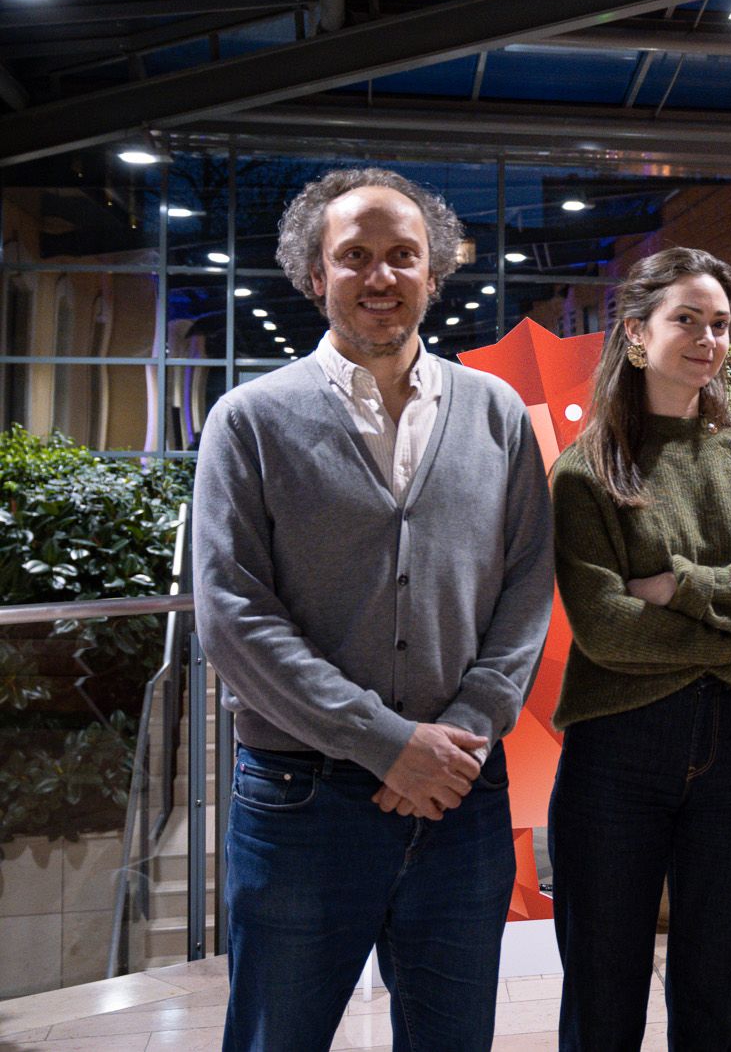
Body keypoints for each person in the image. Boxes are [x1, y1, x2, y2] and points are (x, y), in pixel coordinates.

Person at [193, 168, 554, 1052]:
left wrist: (462, 732)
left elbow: (528, 583)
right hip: (299, 802)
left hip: (461, 798)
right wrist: (386, 740)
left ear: (435, 275)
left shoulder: (497, 413)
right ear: (314, 273)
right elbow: (232, 616)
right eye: (354, 256)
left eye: (404, 256)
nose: (381, 277)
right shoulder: (250, 421)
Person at [547, 245, 731, 1052]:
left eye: (721, 324)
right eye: (687, 320)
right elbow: (605, 626)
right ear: (636, 333)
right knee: (603, 997)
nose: (708, 339)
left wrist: (684, 586)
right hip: (617, 756)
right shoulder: (588, 471)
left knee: (720, 989)